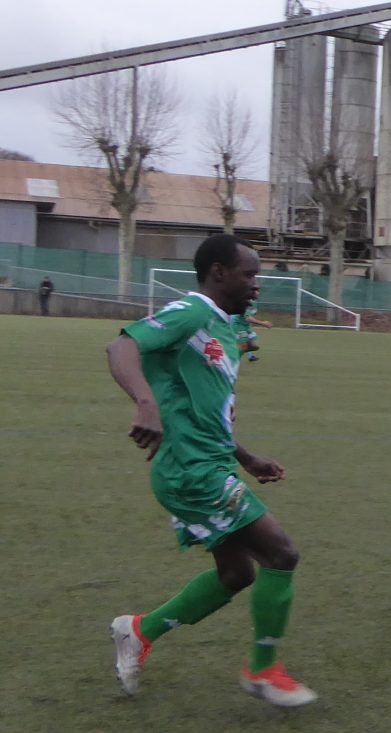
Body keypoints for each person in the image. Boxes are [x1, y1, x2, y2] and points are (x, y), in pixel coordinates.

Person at [104, 234, 316, 707]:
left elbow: (201, 408)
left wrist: (245, 457)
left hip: (209, 462)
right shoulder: (192, 312)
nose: (257, 285)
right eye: (249, 274)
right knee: (281, 554)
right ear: (218, 272)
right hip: (190, 470)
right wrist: (145, 403)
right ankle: (263, 671)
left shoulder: (221, 326)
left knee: (237, 574)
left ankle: (138, 631)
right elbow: (120, 347)